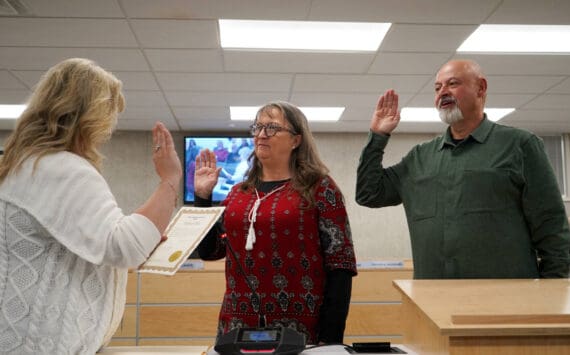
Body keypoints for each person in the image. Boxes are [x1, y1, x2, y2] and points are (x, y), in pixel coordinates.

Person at [0, 58, 182, 354]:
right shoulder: (62, 168)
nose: (110, 127)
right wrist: (170, 179)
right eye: (109, 114)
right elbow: (125, 247)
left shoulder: (27, 165)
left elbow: (84, 244)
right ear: (91, 115)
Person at [356, 59, 570, 279]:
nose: (442, 93)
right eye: (437, 88)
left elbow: (552, 228)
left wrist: (550, 293)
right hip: (433, 301)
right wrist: (378, 137)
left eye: (453, 84)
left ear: (481, 88)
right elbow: (368, 193)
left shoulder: (520, 146)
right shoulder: (420, 158)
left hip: (504, 303)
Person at [194, 101, 357, 344]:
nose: (261, 134)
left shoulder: (320, 188)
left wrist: (331, 341)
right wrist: (202, 198)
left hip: (301, 331)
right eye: (257, 127)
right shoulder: (238, 194)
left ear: (296, 140)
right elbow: (210, 251)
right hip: (237, 329)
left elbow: (340, 265)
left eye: (271, 128)